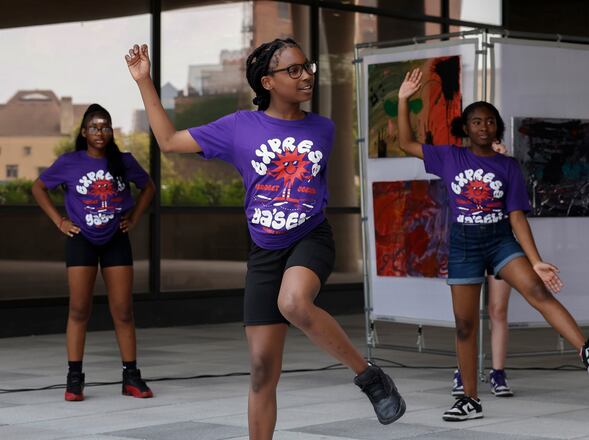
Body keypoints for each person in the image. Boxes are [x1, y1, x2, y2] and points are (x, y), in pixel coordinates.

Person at [125, 39, 405, 439]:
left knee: (293, 302)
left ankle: (369, 377)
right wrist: (144, 81)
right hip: (263, 250)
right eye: (293, 70)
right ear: (267, 81)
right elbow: (169, 141)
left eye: (306, 66)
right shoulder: (238, 127)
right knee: (260, 372)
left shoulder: (322, 127)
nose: (306, 75)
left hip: (310, 237)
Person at [397, 69, 589, 421]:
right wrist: (404, 100)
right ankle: (469, 399)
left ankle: (585, 349)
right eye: (476, 122)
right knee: (465, 326)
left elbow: (516, 216)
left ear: (497, 128)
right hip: (465, 245)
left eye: (490, 122)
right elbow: (405, 143)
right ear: (466, 129)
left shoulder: (508, 166)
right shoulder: (449, 157)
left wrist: (536, 260)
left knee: (537, 290)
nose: (484, 127)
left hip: (500, 240)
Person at [32, 104, 156, 401]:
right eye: (94, 127)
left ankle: (131, 376)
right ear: (84, 132)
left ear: (111, 132)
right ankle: (74, 378)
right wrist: (59, 221)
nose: (100, 132)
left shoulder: (123, 161)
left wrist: (135, 218)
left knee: (123, 311)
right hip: (81, 241)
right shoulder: (70, 162)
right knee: (78, 310)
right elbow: (38, 187)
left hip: (115, 240)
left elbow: (148, 187)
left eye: (105, 127)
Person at [451, 276, 515, 398]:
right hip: (468, 257)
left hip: (497, 257)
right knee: (465, 317)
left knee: (499, 310)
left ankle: (498, 373)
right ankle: (462, 373)